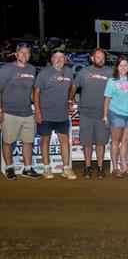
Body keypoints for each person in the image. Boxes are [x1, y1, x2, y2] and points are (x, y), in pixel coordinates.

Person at [69, 48, 113, 179]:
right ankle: (87, 167)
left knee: (101, 143)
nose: (101, 60)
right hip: (85, 114)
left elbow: (116, 90)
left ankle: (100, 168)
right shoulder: (84, 72)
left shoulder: (110, 73)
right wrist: (70, 99)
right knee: (87, 143)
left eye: (103, 57)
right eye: (98, 57)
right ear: (92, 58)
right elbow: (74, 86)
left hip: (102, 114)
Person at [0, 43, 41, 180]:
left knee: (28, 141)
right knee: (8, 141)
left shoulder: (31, 69)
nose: (24, 54)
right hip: (9, 112)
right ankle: (9, 167)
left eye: (27, 52)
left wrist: (37, 108)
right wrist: (0, 110)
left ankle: (27, 169)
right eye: (21, 52)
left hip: (27, 112)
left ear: (30, 55)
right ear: (16, 54)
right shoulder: (6, 69)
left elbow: (31, 92)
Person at [34, 49, 77, 180]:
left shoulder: (69, 72)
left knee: (64, 139)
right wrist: (38, 112)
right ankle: (47, 168)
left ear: (65, 59)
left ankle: (66, 168)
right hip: (45, 114)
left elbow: (72, 87)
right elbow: (36, 92)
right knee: (45, 140)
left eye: (61, 57)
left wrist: (70, 99)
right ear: (52, 59)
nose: (59, 59)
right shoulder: (44, 72)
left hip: (62, 114)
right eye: (56, 57)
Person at [103, 55, 128, 178]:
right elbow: (107, 99)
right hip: (116, 114)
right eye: (121, 65)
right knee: (116, 142)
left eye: (125, 65)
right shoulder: (112, 81)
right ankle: (115, 168)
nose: (123, 68)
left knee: (125, 142)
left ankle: (124, 168)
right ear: (117, 67)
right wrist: (105, 116)